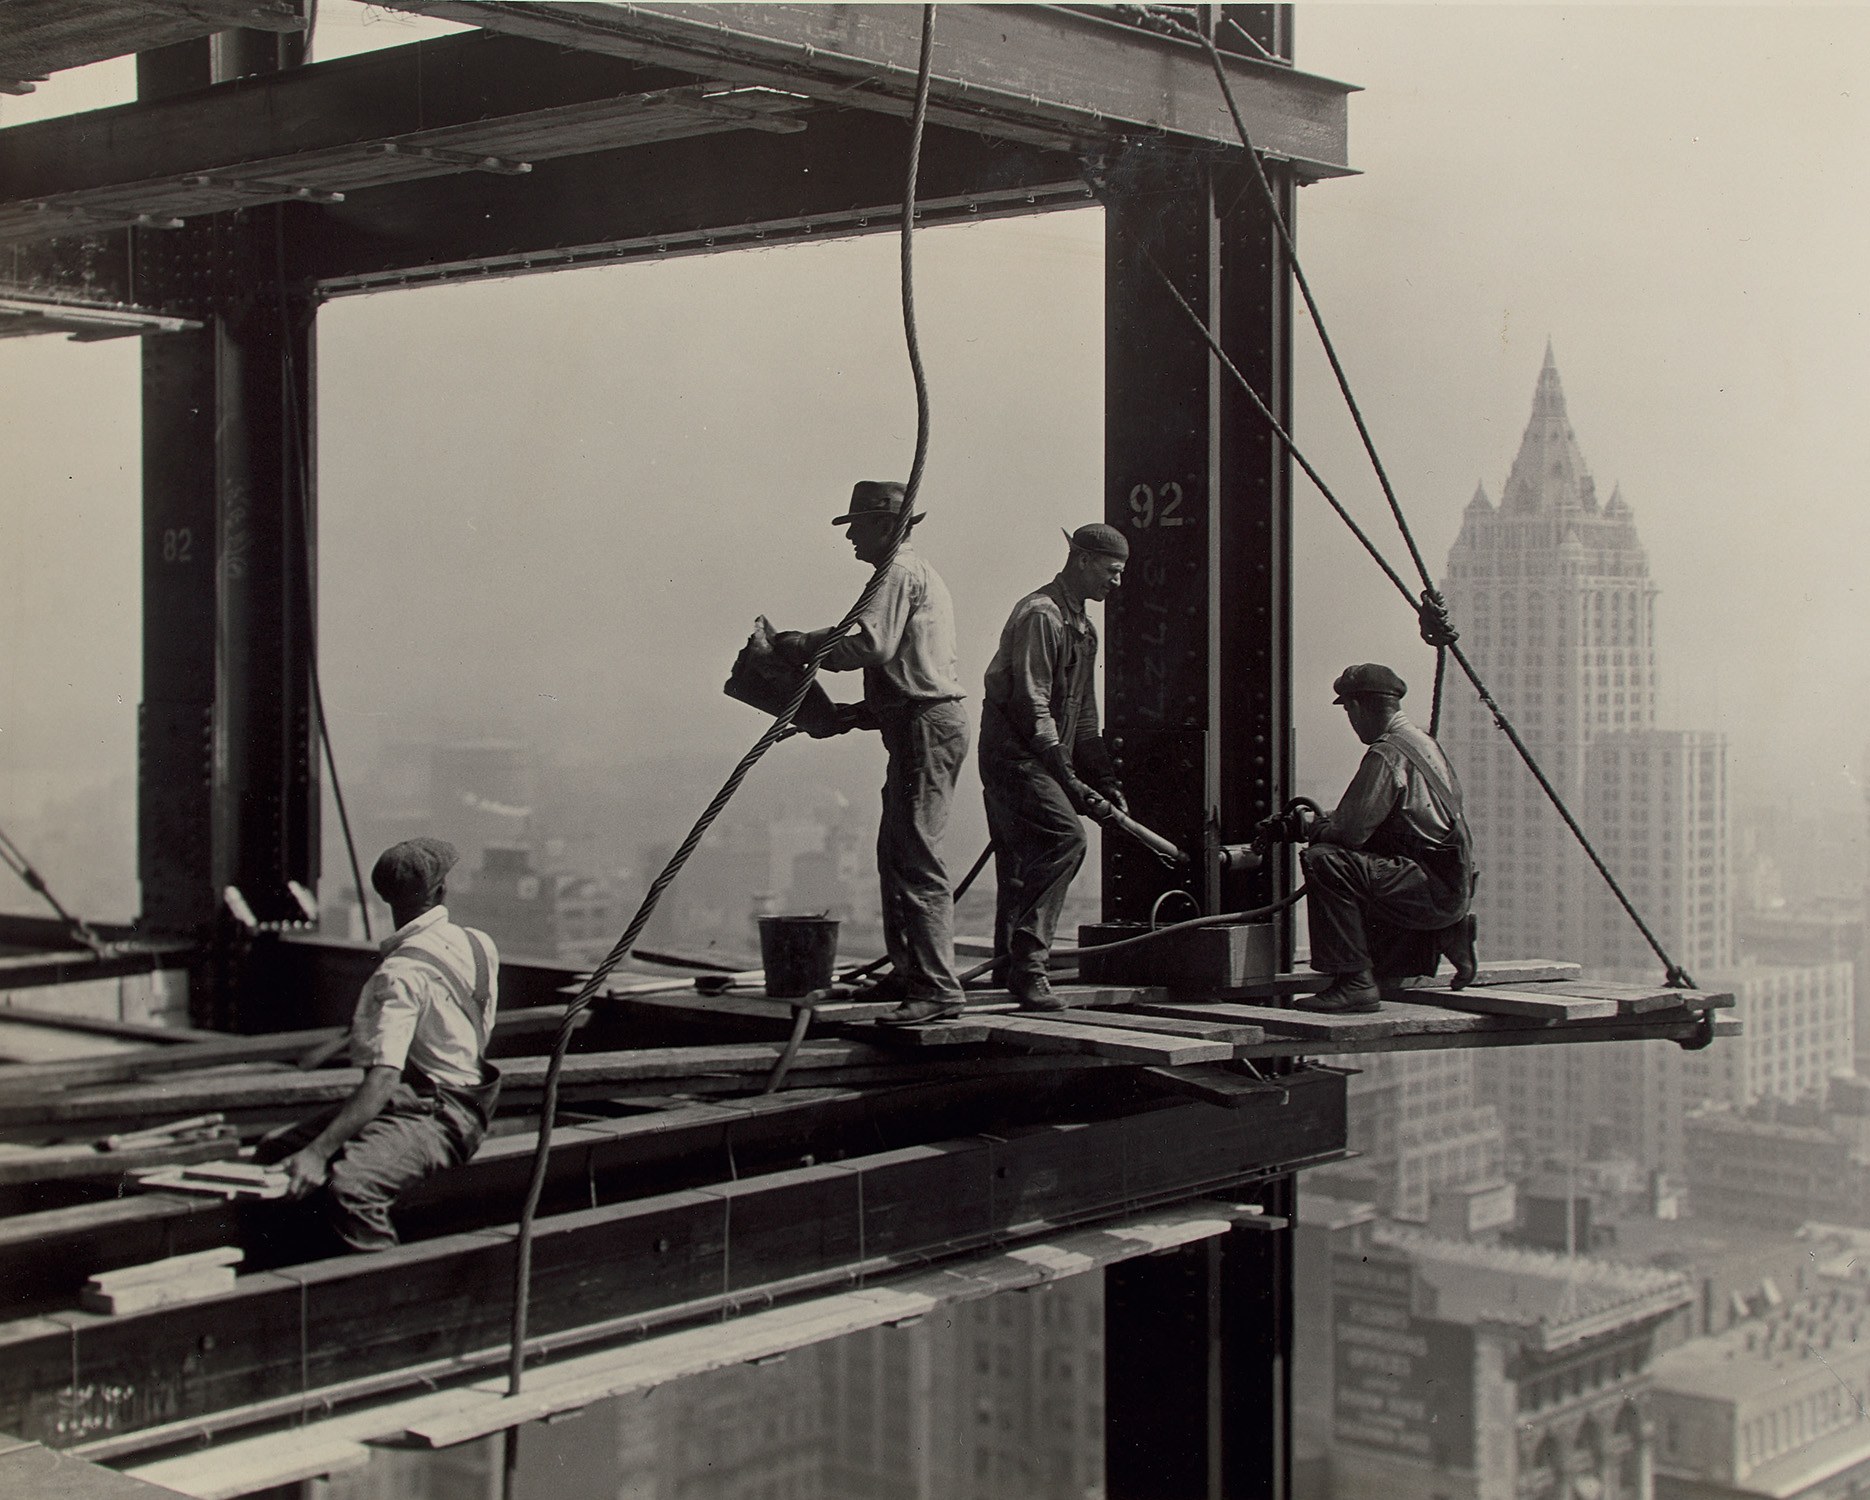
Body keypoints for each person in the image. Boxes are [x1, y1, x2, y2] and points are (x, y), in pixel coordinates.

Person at [772, 481, 970, 1025]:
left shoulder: (899, 573)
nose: (852, 536)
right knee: (896, 854)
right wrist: (855, 715)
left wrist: (804, 645)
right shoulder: (902, 575)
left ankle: (936, 989)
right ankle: (910, 974)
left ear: (887, 525)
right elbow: (906, 667)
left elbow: (871, 646)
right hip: (914, 722)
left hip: (925, 725)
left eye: (858, 524)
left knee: (916, 858)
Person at [258, 838, 500, 1251]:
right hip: (468, 1101)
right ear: (441, 891)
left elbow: (382, 1081)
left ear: (385, 898)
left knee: (352, 1190)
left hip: (439, 1118)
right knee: (276, 1151)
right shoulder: (479, 944)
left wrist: (318, 1154)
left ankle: (388, 1293)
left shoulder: (398, 974)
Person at [978, 523, 1129, 1011]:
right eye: (1111, 571)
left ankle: (1009, 967)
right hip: (1014, 755)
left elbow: (1084, 714)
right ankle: (1029, 967)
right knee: (1067, 840)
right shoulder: (1041, 615)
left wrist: (1103, 779)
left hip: (1043, 756)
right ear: (1081, 560)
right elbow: (1032, 705)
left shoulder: (1084, 629)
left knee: (1021, 864)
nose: (1117, 583)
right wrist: (1067, 781)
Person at [1281, 664, 1478, 1014]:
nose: (1351, 721)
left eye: (1348, 711)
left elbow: (1351, 833)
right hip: (1450, 883)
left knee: (1324, 860)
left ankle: (1355, 981)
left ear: (1356, 707)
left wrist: (1309, 827)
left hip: (1429, 887)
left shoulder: (1387, 753)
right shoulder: (1421, 742)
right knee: (1364, 864)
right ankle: (1448, 933)